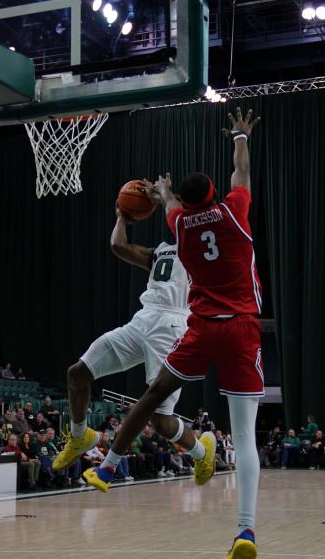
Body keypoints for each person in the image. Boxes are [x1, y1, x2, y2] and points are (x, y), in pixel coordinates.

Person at [85, 108, 262, 559]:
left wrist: (162, 193)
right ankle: (245, 532)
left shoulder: (181, 228)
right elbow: (241, 170)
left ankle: (108, 466)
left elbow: (173, 208)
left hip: (199, 328)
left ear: (185, 203)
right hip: (240, 327)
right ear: (215, 195)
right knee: (244, 435)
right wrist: (240, 135)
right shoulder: (234, 211)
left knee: (150, 396)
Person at [53, 199, 213, 481]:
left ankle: (202, 453)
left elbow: (180, 212)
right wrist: (123, 218)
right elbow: (118, 246)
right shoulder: (161, 251)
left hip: (173, 325)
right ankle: (80, 436)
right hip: (143, 320)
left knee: (161, 422)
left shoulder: (200, 246)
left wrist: (166, 195)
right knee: (77, 374)